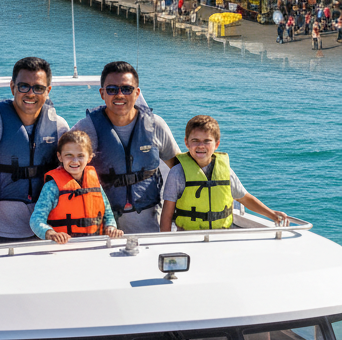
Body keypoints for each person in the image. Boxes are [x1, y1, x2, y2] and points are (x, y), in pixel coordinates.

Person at [0, 56, 68, 244]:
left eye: (38, 88)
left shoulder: (59, 127)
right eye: (24, 86)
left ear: (48, 91)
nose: (31, 93)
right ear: (12, 87)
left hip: (45, 232)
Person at [72, 61, 180, 233]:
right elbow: (64, 167)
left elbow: (178, 168)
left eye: (127, 89)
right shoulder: (86, 128)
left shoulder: (155, 125)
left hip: (149, 224)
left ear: (137, 93)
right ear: (102, 93)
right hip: (101, 225)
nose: (120, 95)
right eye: (112, 89)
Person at [160, 115, 288, 231]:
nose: (201, 145)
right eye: (195, 140)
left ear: (217, 144)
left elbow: (245, 198)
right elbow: (167, 214)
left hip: (221, 238)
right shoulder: (177, 173)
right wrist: (166, 245)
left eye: (207, 141)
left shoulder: (225, 171)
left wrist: (272, 214)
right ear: (186, 143)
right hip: (188, 237)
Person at [30, 130, 123, 243]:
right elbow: (36, 220)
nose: (75, 161)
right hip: (64, 247)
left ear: (89, 157)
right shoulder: (52, 187)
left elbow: (108, 214)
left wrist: (111, 227)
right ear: (60, 156)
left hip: (93, 245)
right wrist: (50, 233)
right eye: (69, 155)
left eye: (80, 156)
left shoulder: (95, 183)